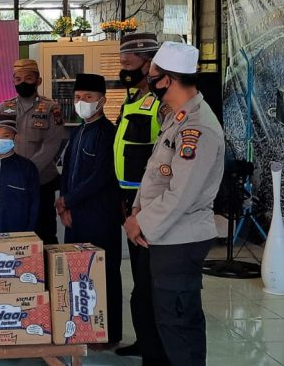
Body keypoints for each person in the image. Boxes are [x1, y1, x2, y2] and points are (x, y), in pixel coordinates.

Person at [124, 42, 223, 366]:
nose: (147, 79)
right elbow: (154, 172)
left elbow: (182, 194)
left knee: (178, 323)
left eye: (152, 74)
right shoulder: (175, 117)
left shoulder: (197, 126)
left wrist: (140, 222)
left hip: (180, 239)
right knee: (158, 317)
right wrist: (136, 210)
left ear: (167, 79)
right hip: (162, 234)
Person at [113, 33, 172, 362]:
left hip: (150, 202)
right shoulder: (133, 99)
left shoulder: (163, 105)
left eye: (128, 64)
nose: (124, 70)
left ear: (149, 64)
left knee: (150, 283)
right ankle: (144, 340)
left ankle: (157, 349)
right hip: (129, 198)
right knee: (138, 279)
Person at [57, 74, 123, 348]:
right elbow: (66, 172)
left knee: (103, 273)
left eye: (88, 97)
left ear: (102, 101)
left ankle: (108, 334)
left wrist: (68, 201)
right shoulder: (77, 132)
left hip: (100, 216)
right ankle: (82, 329)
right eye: (77, 97)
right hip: (74, 216)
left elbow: (100, 177)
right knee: (78, 274)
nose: (82, 102)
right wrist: (63, 203)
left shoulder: (108, 133)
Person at [0, 59, 63, 244]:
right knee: (15, 233)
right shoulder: (4, 107)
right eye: (18, 79)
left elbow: (52, 144)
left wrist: (27, 170)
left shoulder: (51, 108)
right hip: (12, 180)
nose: (22, 82)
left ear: (38, 80)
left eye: (28, 78)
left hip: (41, 181)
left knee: (44, 233)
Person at [0, 114, 40, 233]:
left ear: (16, 137)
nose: (0, 140)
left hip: (18, 232)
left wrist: (29, 232)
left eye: (6, 136)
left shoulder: (27, 167)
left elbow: (35, 203)